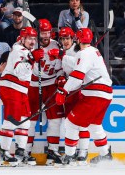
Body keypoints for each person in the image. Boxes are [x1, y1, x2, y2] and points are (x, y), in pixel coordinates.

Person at [53, 28, 113, 165]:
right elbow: (78, 65)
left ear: (78, 39)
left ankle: (69, 156)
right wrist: (63, 55)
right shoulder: (93, 52)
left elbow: (77, 76)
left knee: (71, 123)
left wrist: (64, 91)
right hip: (105, 94)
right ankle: (105, 155)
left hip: (94, 94)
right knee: (94, 125)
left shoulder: (84, 53)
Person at [0, 27, 44, 167]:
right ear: (22, 39)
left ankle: (20, 152)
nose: (33, 41)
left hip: (21, 90)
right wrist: (31, 58)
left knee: (25, 122)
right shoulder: (18, 51)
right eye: (29, 38)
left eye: (34, 38)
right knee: (12, 120)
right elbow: (19, 71)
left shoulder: (27, 52)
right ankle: (3, 152)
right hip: (11, 88)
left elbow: (30, 72)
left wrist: (34, 58)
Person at [26, 19, 64, 166]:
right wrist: (32, 57)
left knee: (55, 120)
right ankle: (25, 151)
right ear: (38, 33)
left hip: (51, 85)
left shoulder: (56, 45)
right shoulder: (31, 44)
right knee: (30, 120)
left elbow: (61, 66)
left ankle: (52, 151)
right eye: (43, 32)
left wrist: (60, 77)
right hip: (33, 84)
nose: (46, 35)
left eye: (48, 32)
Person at [57, 27, 90, 165]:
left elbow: (79, 70)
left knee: (82, 122)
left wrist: (62, 57)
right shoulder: (64, 52)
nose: (65, 41)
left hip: (81, 90)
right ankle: (73, 150)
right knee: (70, 122)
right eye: (63, 39)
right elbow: (62, 69)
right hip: (70, 91)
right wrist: (60, 78)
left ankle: (83, 151)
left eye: (67, 38)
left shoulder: (79, 52)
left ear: (73, 39)